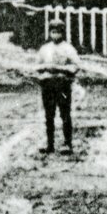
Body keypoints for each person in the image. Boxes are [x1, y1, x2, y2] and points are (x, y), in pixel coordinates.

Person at [34, 21, 82, 154]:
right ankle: (50, 144)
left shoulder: (68, 49)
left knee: (65, 114)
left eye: (58, 32)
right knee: (49, 115)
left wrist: (61, 68)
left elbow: (76, 66)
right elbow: (37, 66)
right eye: (53, 32)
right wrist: (45, 68)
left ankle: (68, 144)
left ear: (63, 32)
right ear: (49, 33)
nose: (55, 35)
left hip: (62, 85)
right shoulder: (45, 49)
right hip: (48, 85)